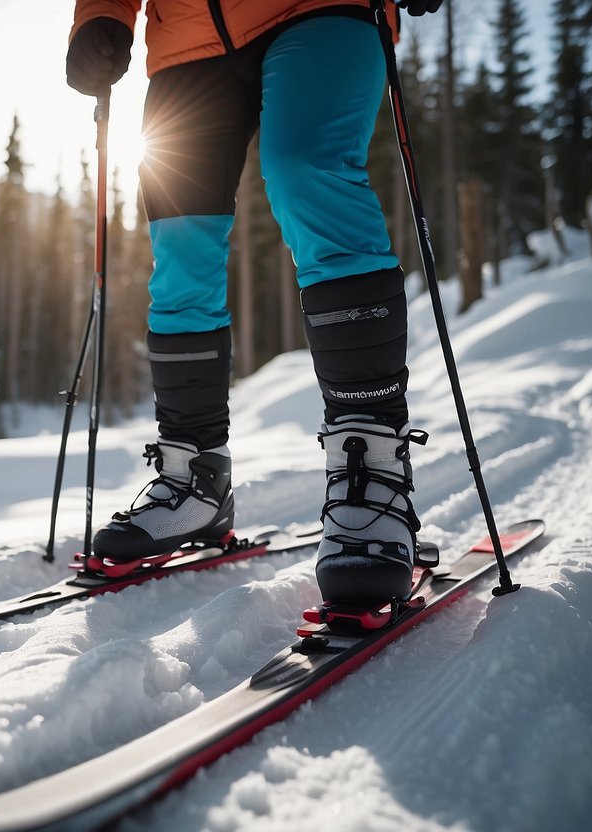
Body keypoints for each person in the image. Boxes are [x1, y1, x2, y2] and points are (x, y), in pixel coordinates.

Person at [65, 0, 442, 606]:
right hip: (184, 40)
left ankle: (370, 467)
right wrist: (100, 14)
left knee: (307, 172)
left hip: (320, 7)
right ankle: (196, 480)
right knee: (179, 246)